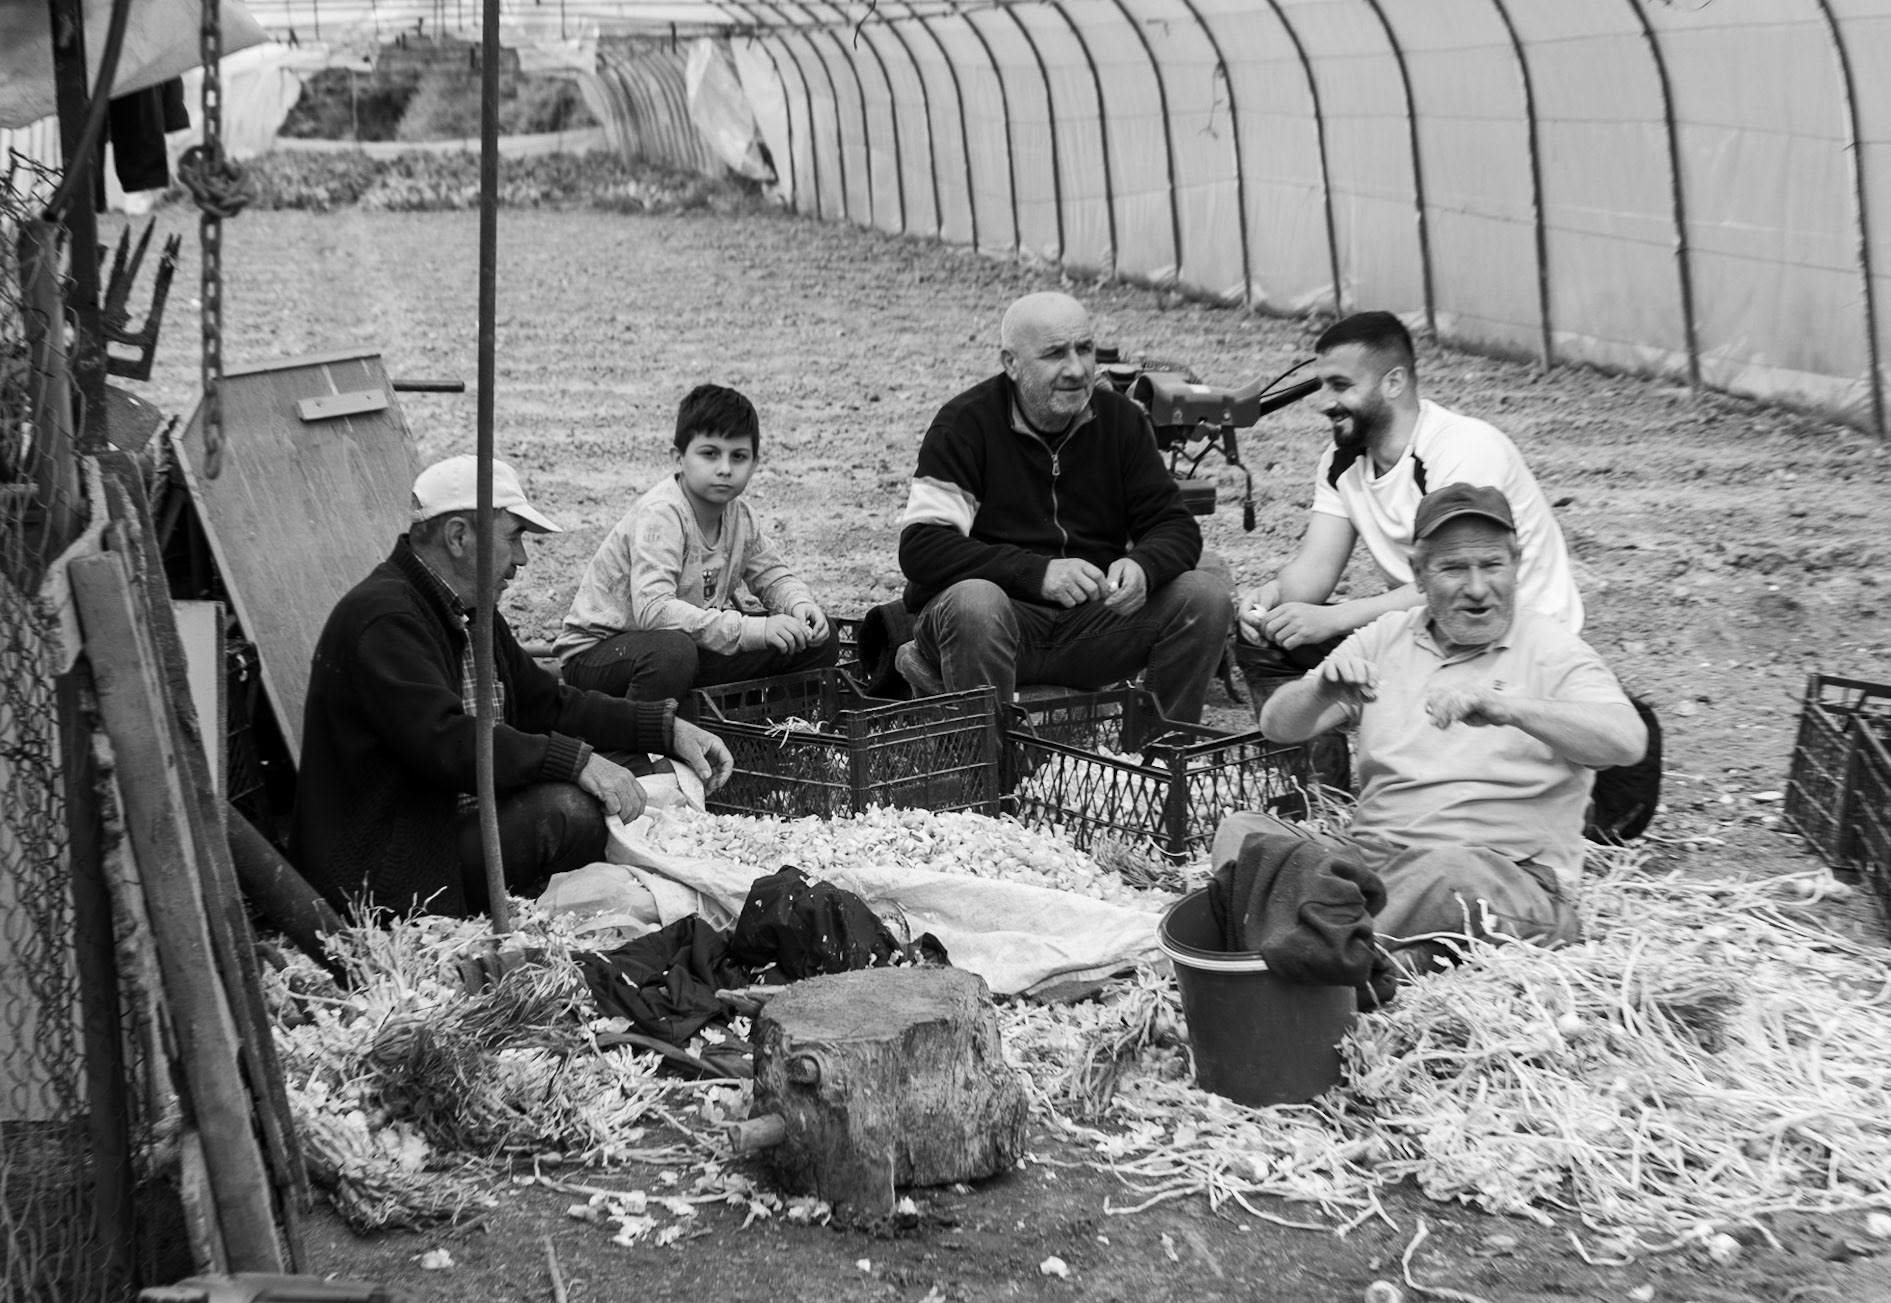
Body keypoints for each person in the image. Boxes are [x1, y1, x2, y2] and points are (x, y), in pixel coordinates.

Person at [293, 454, 735, 919]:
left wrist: (666, 730)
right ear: (459, 537)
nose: (521, 559)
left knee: (639, 770)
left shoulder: (471, 611)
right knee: (571, 810)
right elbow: (448, 743)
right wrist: (575, 762)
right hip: (393, 866)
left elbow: (550, 704)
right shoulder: (386, 618)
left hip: (454, 823)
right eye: (513, 537)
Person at [1228, 483, 1645, 972]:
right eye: (1453, 568)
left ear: (1517, 565)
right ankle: (1366, 954)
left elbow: (1627, 740)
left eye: (1492, 565)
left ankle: (1294, 956)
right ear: (1419, 575)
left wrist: (1509, 709)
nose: (1477, 587)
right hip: (1373, 865)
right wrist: (1321, 690)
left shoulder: (1552, 649)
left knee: (1449, 873)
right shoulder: (1387, 636)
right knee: (1244, 833)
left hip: (1506, 876)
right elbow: (1277, 726)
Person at [896, 291, 1233, 724]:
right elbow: (923, 546)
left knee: (1205, 596)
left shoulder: (1121, 421)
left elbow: (1174, 525)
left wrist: (1144, 566)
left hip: (1092, 624)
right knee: (976, 603)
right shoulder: (965, 425)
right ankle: (991, 761)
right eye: (1055, 354)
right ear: (1011, 363)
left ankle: (1157, 755)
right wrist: (1038, 574)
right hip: (994, 625)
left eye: (1085, 349)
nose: (1076, 369)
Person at [1237, 311, 1583, 710]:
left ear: (1394, 382)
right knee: (1274, 640)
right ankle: (1312, 753)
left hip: (1505, 630)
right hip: (1434, 622)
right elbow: (1315, 567)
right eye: (1322, 386)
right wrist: (1274, 597)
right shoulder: (1342, 459)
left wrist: (1334, 619)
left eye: (1340, 386)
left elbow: (1460, 579)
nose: (1323, 403)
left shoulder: (1462, 449)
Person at [556, 383, 838, 702]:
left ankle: (775, 729)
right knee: (675, 653)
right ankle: (636, 731)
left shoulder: (741, 517)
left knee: (815, 639)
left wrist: (798, 604)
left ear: (754, 464)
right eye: (709, 454)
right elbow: (654, 611)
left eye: (739, 457)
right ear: (678, 458)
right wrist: (752, 630)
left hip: (685, 643)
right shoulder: (663, 513)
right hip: (601, 654)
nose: (725, 469)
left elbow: (773, 576)